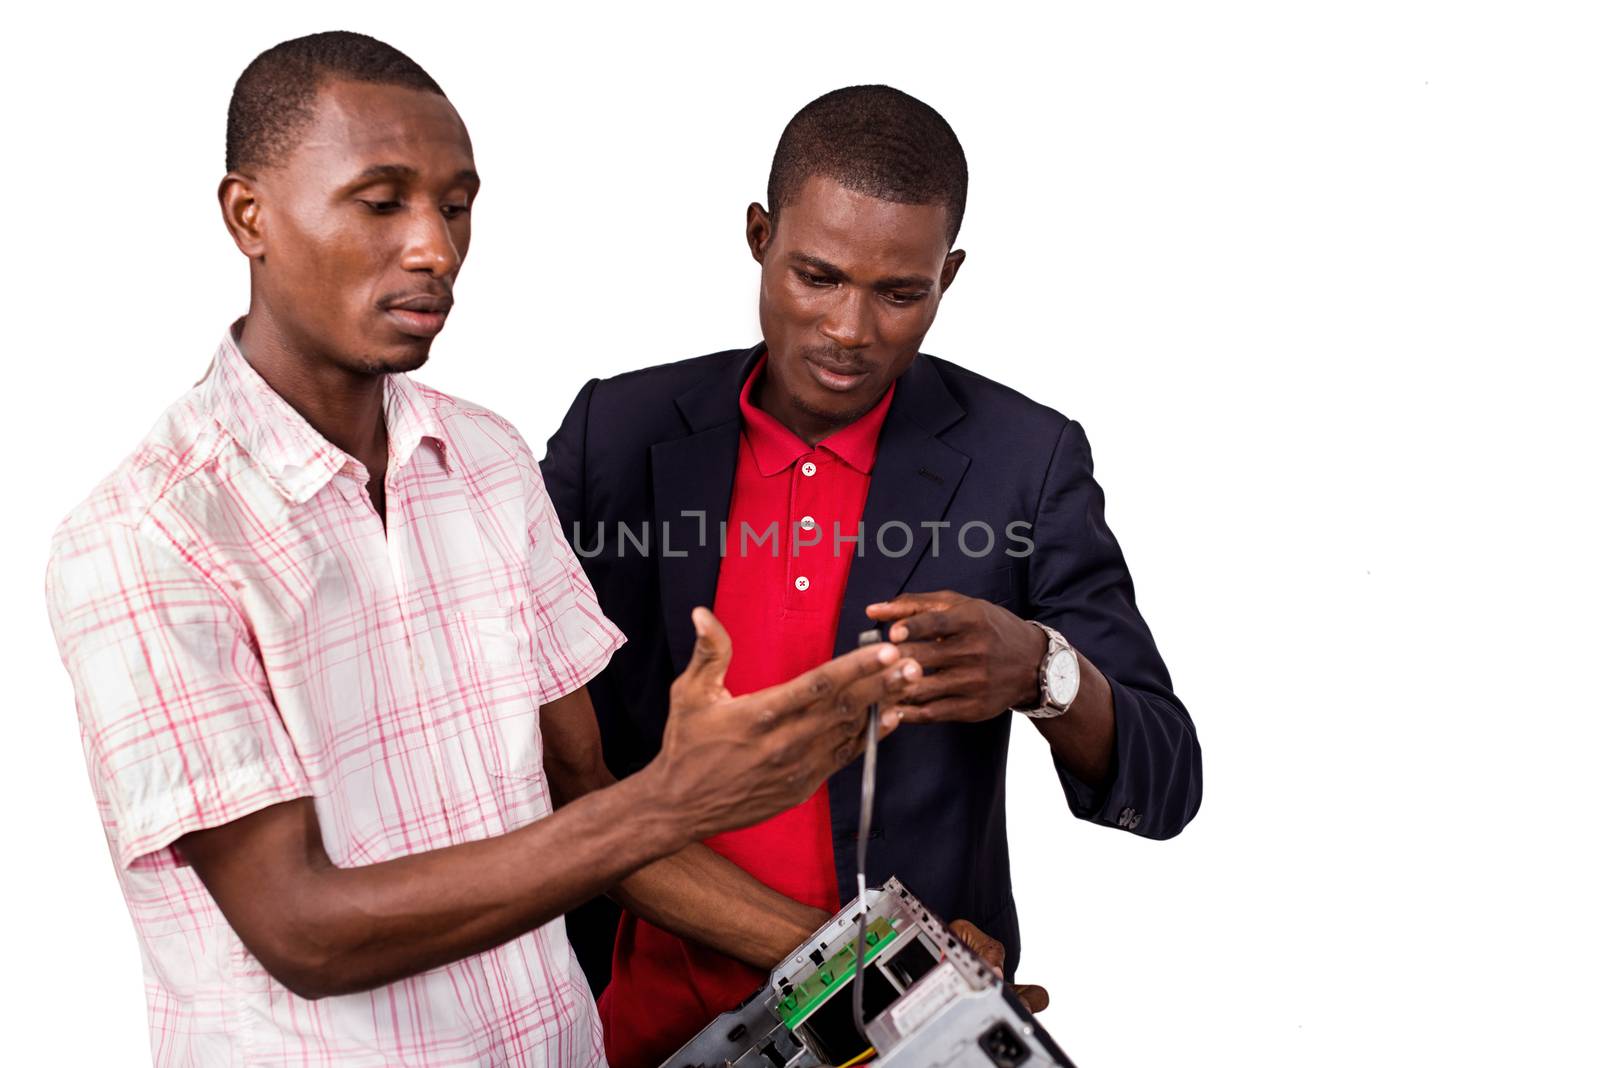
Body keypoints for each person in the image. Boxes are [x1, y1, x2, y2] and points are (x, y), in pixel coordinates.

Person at [42, 34, 921, 1067]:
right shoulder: (148, 534)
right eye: (382, 202)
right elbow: (302, 930)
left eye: (456, 205)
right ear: (249, 217)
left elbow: (583, 807)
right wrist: (672, 797)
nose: (436, 249)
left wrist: (888, 967)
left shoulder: (489, 460)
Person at [543, 84, 1204, 1065]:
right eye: (817, 276)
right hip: (639, 1027)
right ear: (759, 234)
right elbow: (525, 746)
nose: (849, 329)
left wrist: (1041, 669)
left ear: (950, 275)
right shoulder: (618, 432)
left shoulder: (1025, 461)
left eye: (900, 293)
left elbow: (1166, 775)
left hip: (900, 1039)